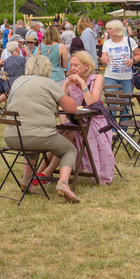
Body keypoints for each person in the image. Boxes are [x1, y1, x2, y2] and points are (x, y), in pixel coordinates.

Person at [2, 55, 82, 203]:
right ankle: (63, 183)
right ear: (48, 69)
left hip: (12, 137)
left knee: (32, 145)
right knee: (69, 149)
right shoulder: (48, 83)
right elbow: (71, 108)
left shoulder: (17, 82)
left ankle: (26, 180)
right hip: (39, 137)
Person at [40, 51, 115, 185]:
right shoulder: (71, 81)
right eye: (71, 65)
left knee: (68, 134)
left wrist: (83, 84)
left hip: (96, 122)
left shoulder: (97, 78)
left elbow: (93, 103)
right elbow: (59, 103)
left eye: (75, 65)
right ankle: (39, 171)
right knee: (55, 135)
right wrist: (65, 85)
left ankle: (47, 172)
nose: (72, 68)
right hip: (78, 120)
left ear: (86, 66)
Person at [100, 19, 140, 93]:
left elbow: (138, 55)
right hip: (110, 77)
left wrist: (133, 60)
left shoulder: (129, 41)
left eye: (109, 29)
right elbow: (103, 58)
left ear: (117, 29)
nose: (107, 31)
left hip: (127, 77)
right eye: (107, 29)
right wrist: (104, 58)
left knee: (127, 102)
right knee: (112, 101)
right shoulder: (107, 43)